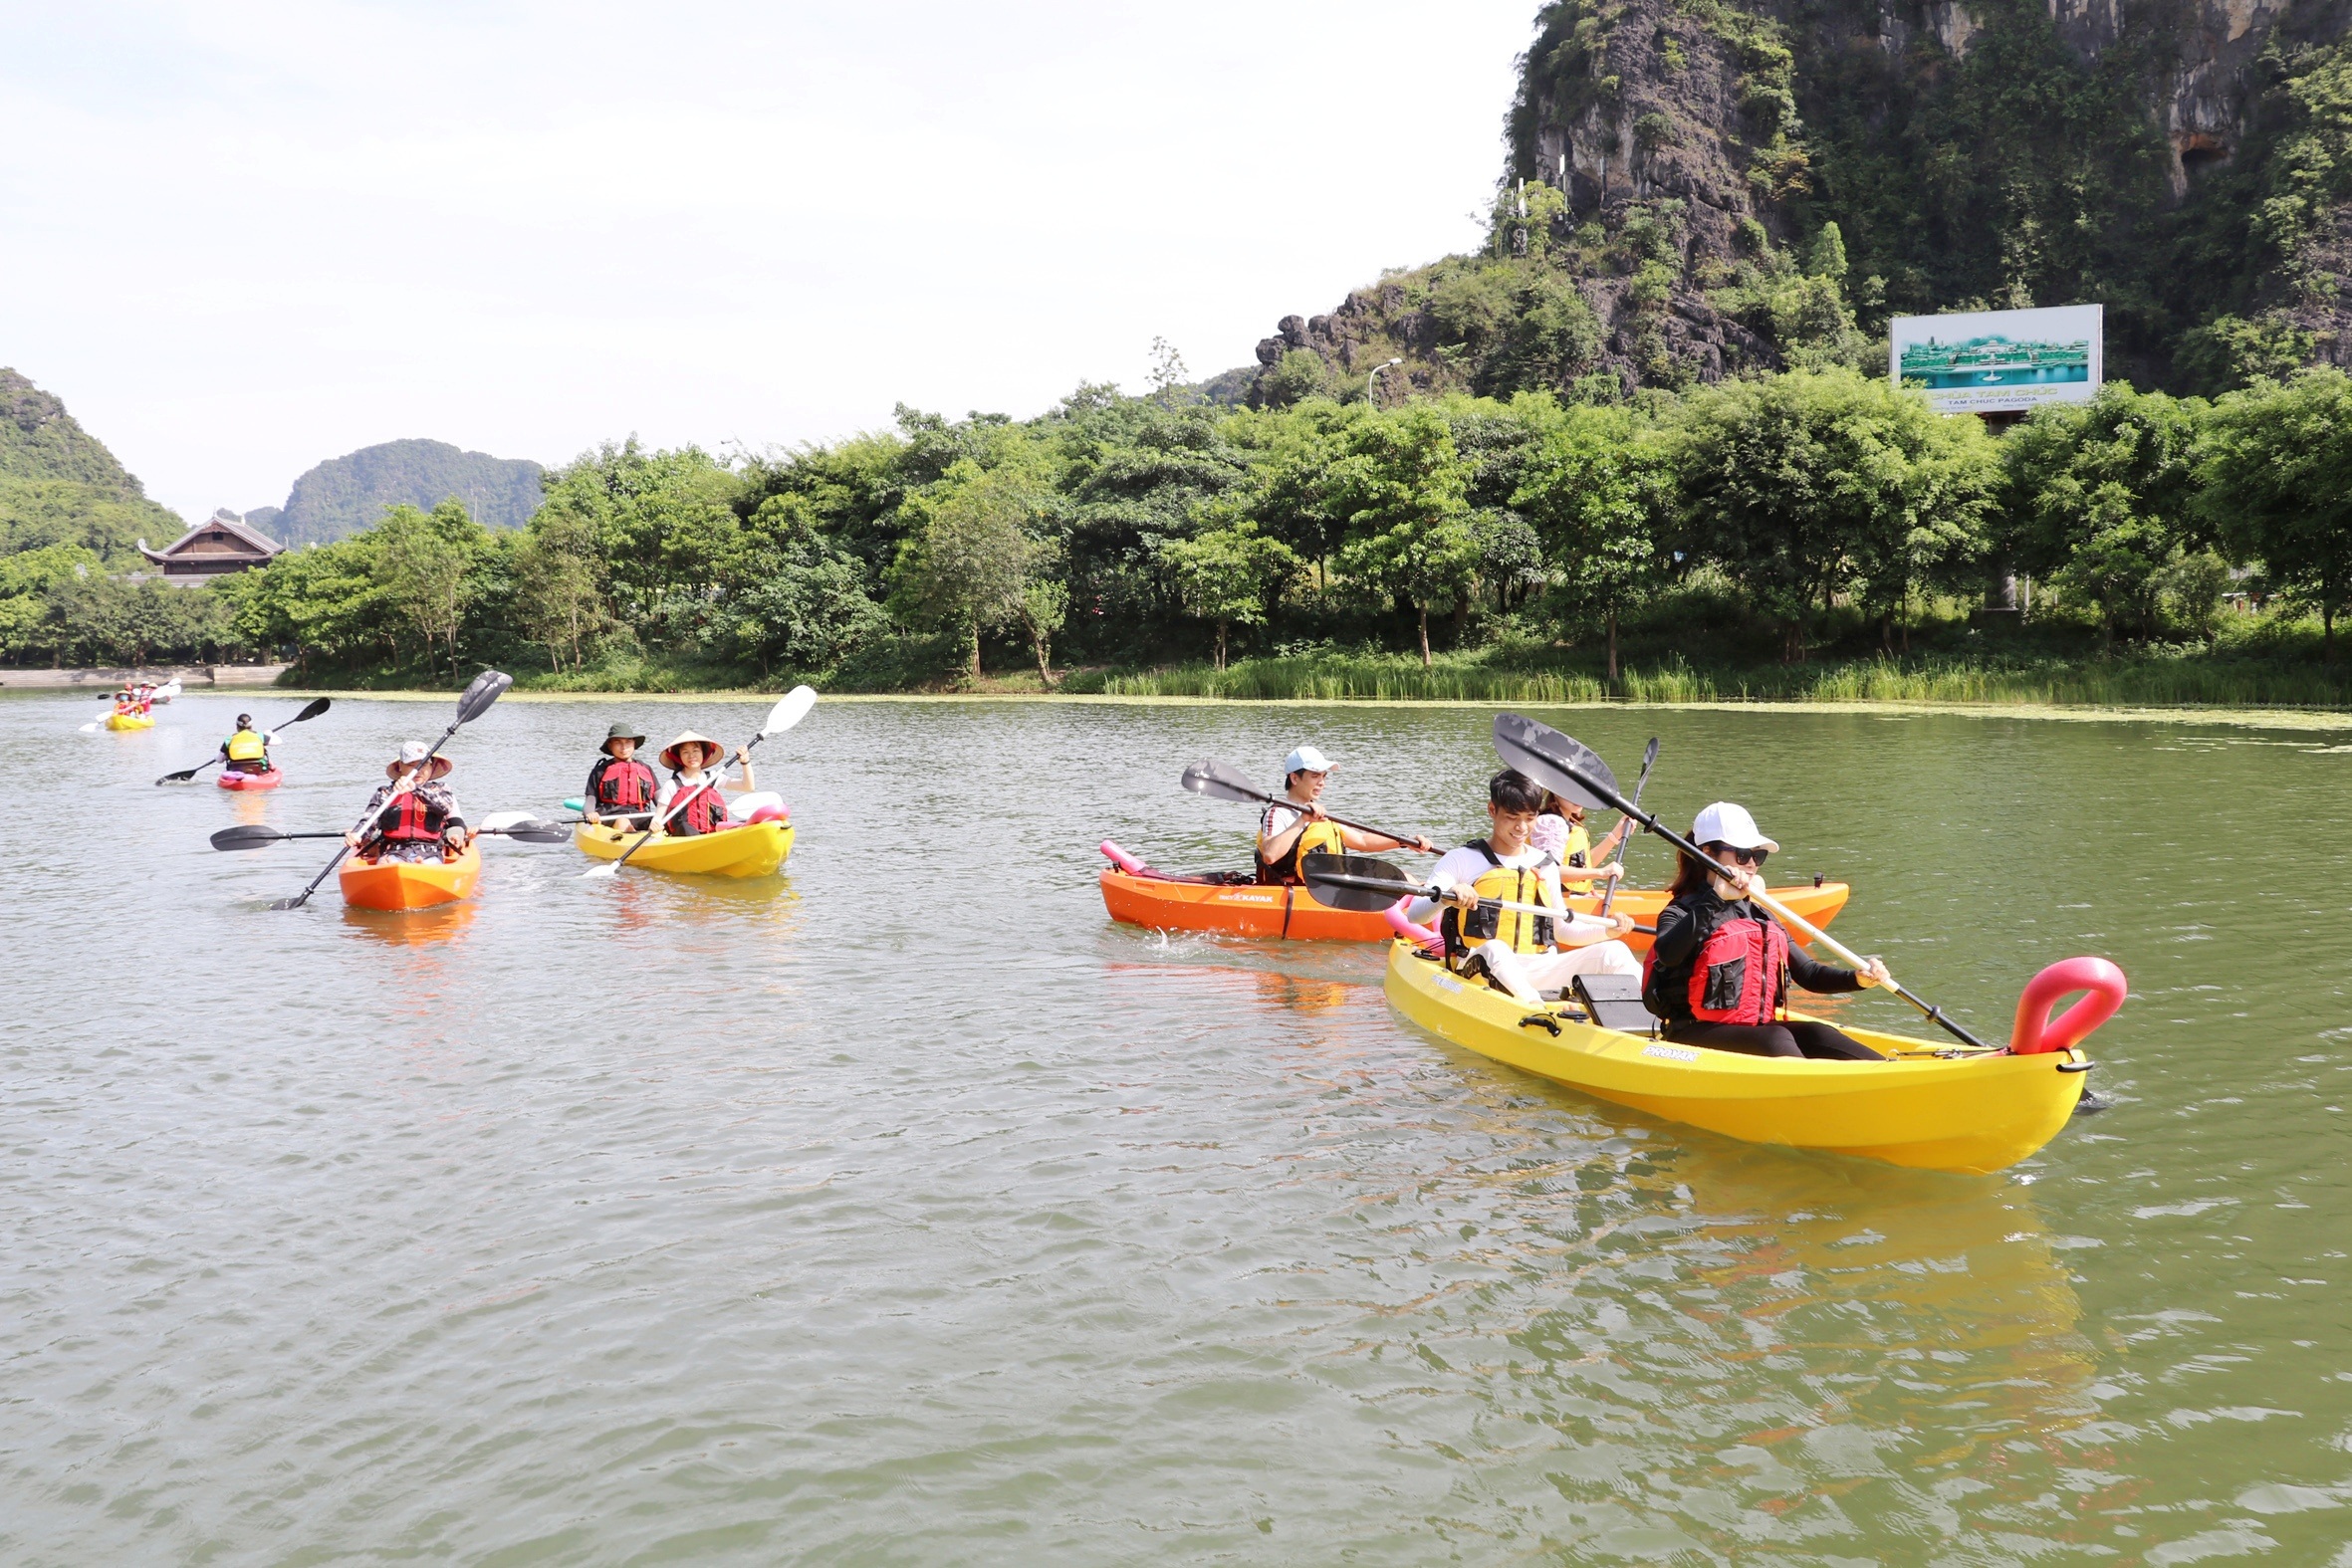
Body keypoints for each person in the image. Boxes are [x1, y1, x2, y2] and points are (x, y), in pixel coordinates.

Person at [1642, 801, 1890, 1060]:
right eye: (1741, 854)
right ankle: (1806, 1087)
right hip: (1692, 1033)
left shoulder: (1761, 913)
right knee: (1777, 1037)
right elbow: (1668, 954)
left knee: (1819, 1033)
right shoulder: (1681, 911)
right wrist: (1715, 899)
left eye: (1757, 856)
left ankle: (1885, 1076)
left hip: (1755, 1032)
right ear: (1708, 853)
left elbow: (1810, 974)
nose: (1751, 864)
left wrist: (1858, 978)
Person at [1411, 768, 1641, 1005]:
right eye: (1512, 818)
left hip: (1539, 967)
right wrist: (1446, 898)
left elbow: (1562, 931)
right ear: (1492, 810)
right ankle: (1536, 1011)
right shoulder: (1461, 859)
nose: (1522, 828)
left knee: (1614, 951)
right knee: (1497, 949)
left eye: (1530, 818)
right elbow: (1415, 914)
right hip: (1480, 968)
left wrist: (1607, 930)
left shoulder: (1544, 864)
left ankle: (1652, 1021)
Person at [1255, 745, 1435, 884]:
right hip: (1293, 891)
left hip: (1325, 889)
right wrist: (1302, 820)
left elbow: (1363, 841)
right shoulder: (1278, 813)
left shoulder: (1319, 816)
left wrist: (1405, 842)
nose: (1322, 783)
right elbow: (1270, 855)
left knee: (1406, 878)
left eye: (1324, 776)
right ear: (1295, 778)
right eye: (1315, 776)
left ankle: (1426, 903)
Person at [347, 741, 470, 864]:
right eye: (411, 765)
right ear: (400, 766)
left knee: (427, 863)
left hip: (429, 853)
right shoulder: (385, 793)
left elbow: (445, 807)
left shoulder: (441, 790)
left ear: (431, 767)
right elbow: (368, 821)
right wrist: (357, 834)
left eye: (424, 765)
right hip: (393, 853)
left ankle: (419, 866)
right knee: (389, 861)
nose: (418, 771)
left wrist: (416, 789)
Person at [1529, 790, 1630, 898]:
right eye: (1572, 789)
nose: (1579, 796)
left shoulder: (1567, 820)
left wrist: (1615, 835)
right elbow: (1549, 870)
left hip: (1576, 897)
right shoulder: (1551, 822)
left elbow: (1583, 865)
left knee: (1636, 901)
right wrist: (1601, 872)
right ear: (1556, 792)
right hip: (1557, 902)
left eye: (1583, 789)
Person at [655, 731, 751, 837]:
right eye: (685, 752)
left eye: (695, 750)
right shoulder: (672, 784)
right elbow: (658, 817)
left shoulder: (714, 777)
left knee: (747, 823)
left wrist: (745, 762)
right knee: (685, 827)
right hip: (684, 837)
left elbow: (747, 787)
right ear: (679, 757)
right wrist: (655, 825)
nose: (691, 755)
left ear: (703, 753)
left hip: (713, 835)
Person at [584, 723, 658, 827]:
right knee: (623, 822)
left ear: (634, 744)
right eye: (618, 742)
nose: (624, 747)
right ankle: (631, 836)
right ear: (610, 745)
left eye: (628, 742)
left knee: (660, 824)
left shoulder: (646, 768)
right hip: (611, 816)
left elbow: (660, 799)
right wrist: (589, 813)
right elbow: (590, 799)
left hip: (642, 816)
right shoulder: (600, 770)